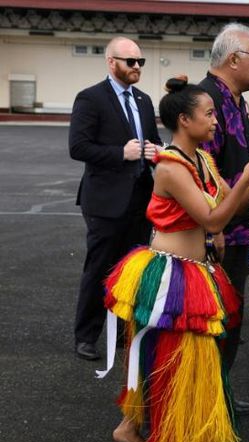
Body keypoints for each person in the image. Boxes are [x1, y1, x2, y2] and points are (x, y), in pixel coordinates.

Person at [103, 76, 249, 442]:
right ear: (184, 120)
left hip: (194, 269)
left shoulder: (202, 159)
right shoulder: (170, 167)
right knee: (190, 358)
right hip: (170, 274)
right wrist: (247, 176)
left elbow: (228, 202)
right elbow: (213, 220)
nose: (216, 121)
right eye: (209, 114)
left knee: (165, 353)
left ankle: (129, 427)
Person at [69, 36, 161, 360]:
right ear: (112, 62)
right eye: (130, 62)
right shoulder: (90, 98)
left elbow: (154, 141)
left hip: (140, 199)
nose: (137, 67)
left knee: (131, 269)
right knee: (99, 268)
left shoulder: (145, 100)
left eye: (140, 62)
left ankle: (123, 332)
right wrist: (118, 153)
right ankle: (86, 336)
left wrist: (157, 152)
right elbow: (77, 147)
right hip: (105, 201)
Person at [198, 23, 249, 416]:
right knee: (211, 324)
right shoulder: (205, 101)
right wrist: (212, 234)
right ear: (233, 59)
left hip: (239, 230)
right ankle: (204, 403)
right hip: (216, 236)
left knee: (231, 322)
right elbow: (202, 175)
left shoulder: (235, 100)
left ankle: (219, 394)